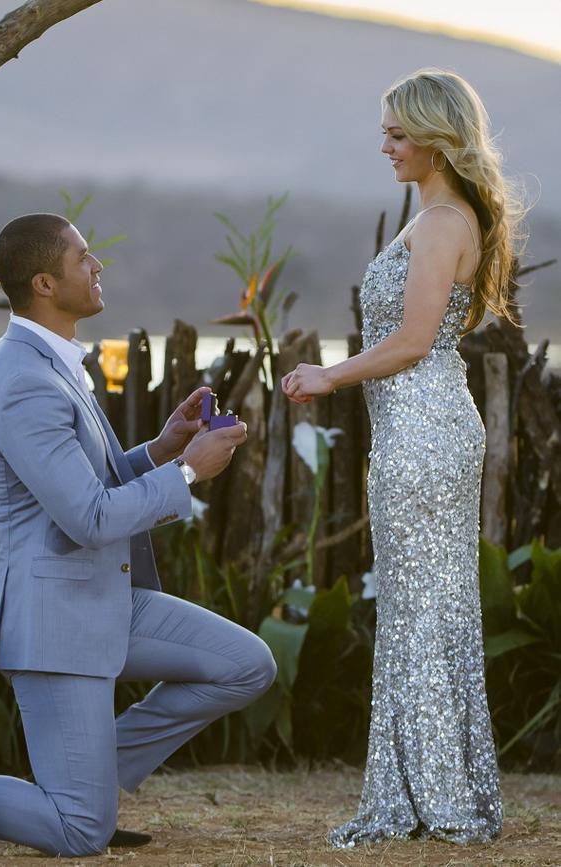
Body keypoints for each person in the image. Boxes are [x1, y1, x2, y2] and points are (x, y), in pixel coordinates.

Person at [0, 213, 276, 857]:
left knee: (245, 665)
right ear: (47, 282)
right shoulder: (23, 379)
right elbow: (89, 518)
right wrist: (189, 472)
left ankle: (89, 778)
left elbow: (87, 487)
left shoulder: (52, 362)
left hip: (105, 596)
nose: (98, 266)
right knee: (80, 832)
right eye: (85, 258)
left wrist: (164, 448)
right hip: (55, 616)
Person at [282, 69, 522, 846]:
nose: (384, 146)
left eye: (396, 133)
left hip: (423, 431)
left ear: (437, 139)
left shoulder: (446, 220)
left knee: (423, 607)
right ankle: (434, 789)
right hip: (421, 426)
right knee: (429, 605)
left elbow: (417, 340)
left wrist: (328, 374)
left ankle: (431, 796)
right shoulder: (436, 215)